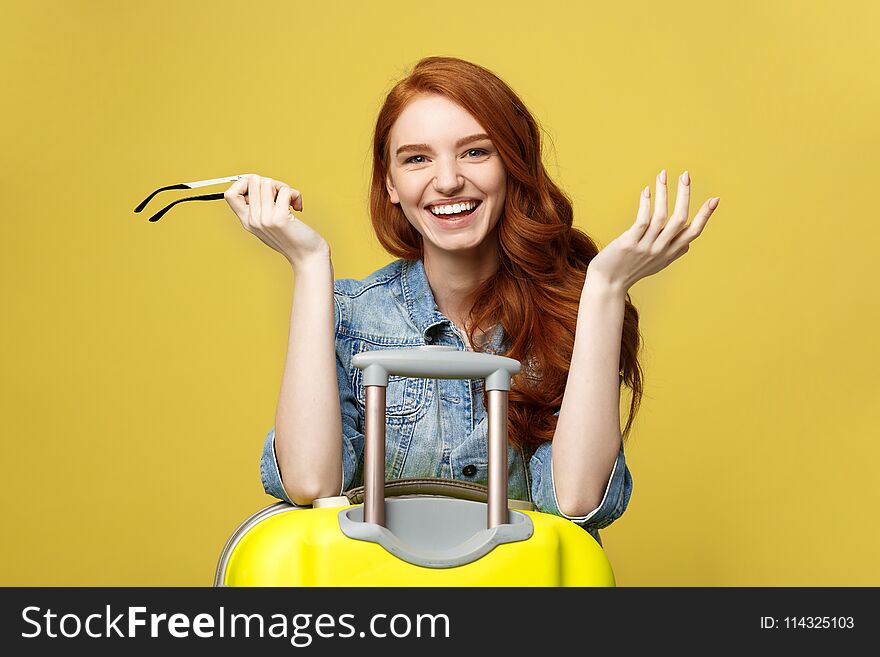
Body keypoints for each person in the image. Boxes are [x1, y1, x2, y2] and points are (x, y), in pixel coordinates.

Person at [223, 56, 720, 547]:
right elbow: (310, 482)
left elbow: (575, 500)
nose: (447, 181)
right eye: (417, 158)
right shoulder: (349, 315)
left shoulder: (566, 315)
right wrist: (310, 264)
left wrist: (607, 287)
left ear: (512, 164)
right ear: (391, 183)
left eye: (475, 152)